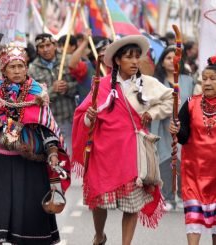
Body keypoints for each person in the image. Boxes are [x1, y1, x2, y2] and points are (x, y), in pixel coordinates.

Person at [0, 44, 71, 245]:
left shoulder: (38, 93)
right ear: (3, 70)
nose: (18, 71)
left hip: (29, 162)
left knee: (28, 216)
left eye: (21, 66)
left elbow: (47, 127)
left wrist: (53, 152)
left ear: (26, 68)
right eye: (13, 67)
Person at [72, 35, 173, 245]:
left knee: (132, 204)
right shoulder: (102, 84)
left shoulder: (148, 83)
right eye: (129, 57)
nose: (135, 61)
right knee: (98, 201)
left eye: (137, 57)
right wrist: (89, 118)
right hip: (103, 152)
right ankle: (99, 235)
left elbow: (170, 99)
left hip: (132, 151)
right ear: (118, 61)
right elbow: (82, 116)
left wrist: (152, 113)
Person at [169, 56, 216, 245]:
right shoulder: (190, 103)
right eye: (204, 79)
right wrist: (176, 129)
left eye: (212, 78)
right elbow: (183, 136)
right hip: (194, 172)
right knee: (193, 218)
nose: (207, 82)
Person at [151, 46, 198, 211]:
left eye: (175, 58)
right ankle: (168, 197)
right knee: (164, 160)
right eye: (168, 58)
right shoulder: (154, 82)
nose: (172, 61)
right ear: (162, 62)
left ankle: (183, 195)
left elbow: (194, 104)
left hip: (184, 129)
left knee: (182, 162)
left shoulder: (189, 80)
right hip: (162, 128)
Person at [29, 33, 78, 156]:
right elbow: (33, 98)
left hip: (71, 118)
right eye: (41, 46)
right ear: (37, 50)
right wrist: (52, 90)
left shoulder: (68, 60)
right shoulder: (32, 69)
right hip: (49, 122)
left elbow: (82, 86)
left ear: (55, 45)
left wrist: (67, 87)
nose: (45, 49)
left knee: (71, 156)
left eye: (48, 45)